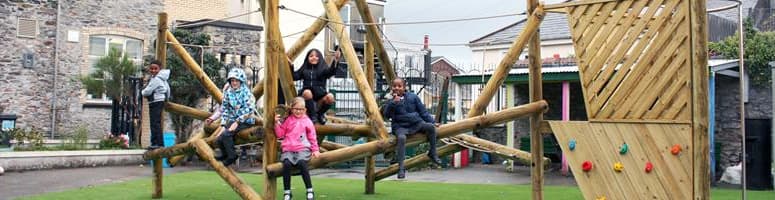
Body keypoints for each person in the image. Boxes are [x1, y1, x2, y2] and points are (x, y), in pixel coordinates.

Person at [381, 78, 443, 179]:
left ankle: (433, 152)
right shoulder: (390, 100)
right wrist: (393, 103)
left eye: (399, 86)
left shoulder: (413, 97)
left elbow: (423, 112)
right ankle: (401, 168)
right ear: (391, 88)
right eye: (394, 86)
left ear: (404, 88)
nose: (397, 88)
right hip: (400, 126)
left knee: (431, 128)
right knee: (401, 138)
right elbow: (387, 115)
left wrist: (432, 122)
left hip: (416, 124)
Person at [206, 68, 256, 166]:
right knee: (220, 138)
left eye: (236, 80)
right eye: (232, 80)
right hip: (233, 120)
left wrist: (237, 122)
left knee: (226, 135)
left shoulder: (246, 92)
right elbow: (225, 109)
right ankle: (225, 155)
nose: (234, 83)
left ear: (241, 81)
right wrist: (223, 123)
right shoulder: (228, 93)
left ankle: (232, 156)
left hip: (245, 120)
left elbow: (249, 109)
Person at [275, 97, 320, 200]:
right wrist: (276, 124)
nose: (298, 111)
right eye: (296, 109)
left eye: (301, 109)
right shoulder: (288, 120)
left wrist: (315, 149)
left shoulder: (307, 121)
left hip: (302, 149)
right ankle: (287, 192)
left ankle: (309, 189)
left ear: (305, 110)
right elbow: (280, 134)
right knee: (286, 164)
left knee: (302, 163)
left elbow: (312, 137)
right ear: (292, 109)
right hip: (288, 149)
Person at [290, 48, 340, 124]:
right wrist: (291, 66)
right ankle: (313, 116)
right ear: (307, 58)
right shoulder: (304, 69)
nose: (314, 58)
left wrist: (335, 60)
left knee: (330, 97)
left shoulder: (323, 69)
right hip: (306, 98)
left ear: (320, 58)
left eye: (316, 56)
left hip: (320, 97)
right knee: (307, 92)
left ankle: (320, 114)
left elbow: (331, 72)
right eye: (311, 56)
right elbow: (295, 76)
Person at [141, 60, 170, 149]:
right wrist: (166, 98)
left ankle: (157, 143)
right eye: (151, 69)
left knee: (154, 123)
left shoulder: (156, 79)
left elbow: (147, 91)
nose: (153, 70)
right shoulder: (162, 78)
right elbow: (168, 89)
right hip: (159, 101)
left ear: (159, 69)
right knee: (156, 122)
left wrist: (142, 92)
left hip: (155, 101)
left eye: (155, 69)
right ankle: (157, 143)